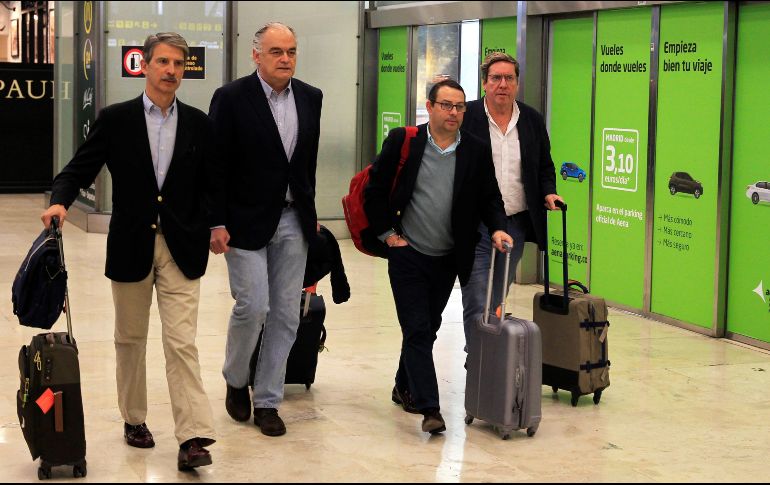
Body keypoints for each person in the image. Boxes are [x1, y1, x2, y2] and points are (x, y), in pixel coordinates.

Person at [41, 32, 217, 471]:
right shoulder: (116, 119)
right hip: (131, 243)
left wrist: (216, 223)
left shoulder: (198, 123)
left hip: (182, 247)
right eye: (163, 62)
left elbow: (212, 184)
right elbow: (79, 167)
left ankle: (192, 436)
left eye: (178, 64)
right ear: (145, 65)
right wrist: (60, 200)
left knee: (182, 342)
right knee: (130, 339)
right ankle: (134, 418)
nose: (171, 71)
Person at [364, 79, 512, 434]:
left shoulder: (475, 149)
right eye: (446, 105)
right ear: (429, 107)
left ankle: (403, 385)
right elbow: (375, 190)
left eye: (460, 106)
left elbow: (489, 196)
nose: (453, 112)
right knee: (416, 328)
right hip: (408, 253)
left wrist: (497, 227)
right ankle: (429, 407)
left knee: (427, 327)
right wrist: (388, 235)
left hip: (447, 257)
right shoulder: (405, 141)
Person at [207, 22, 323, 437]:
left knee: (287, 314)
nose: (285, 59)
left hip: (293, 219)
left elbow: (305, 161)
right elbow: (215, 163)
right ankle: (237, 378)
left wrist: (309, 209)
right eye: (276, 52)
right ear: (256, 55)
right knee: (253, 306)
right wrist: (216, 221)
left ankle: (269, 400)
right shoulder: (231, 98)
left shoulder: (310, 97)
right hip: (243, 221)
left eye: (291, 51)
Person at [460, 52, 564, 349]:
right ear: (484, 83)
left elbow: (544, 165)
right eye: (496, 78)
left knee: (496, 296)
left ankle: (488, 355)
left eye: (509, 78)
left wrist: (548, 191)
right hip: (477, 223)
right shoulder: (467, 116)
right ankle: (476, 358)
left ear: (517, 83)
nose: (502, 84)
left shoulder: (531, 119)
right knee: (477, 295)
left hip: (515, 221)